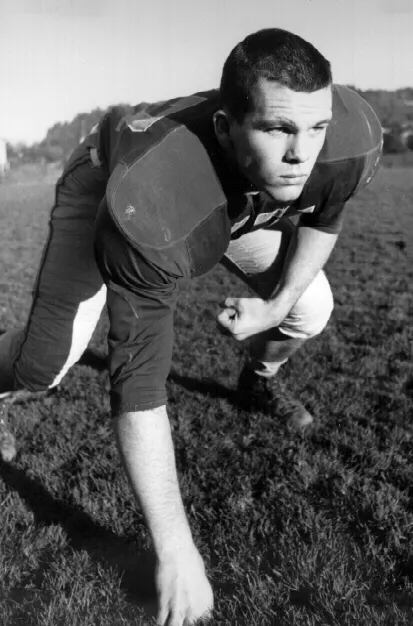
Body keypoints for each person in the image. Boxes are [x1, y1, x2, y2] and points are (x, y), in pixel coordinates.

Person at [0, 28, 382, 626]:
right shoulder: (158, 188)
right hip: (118, 185)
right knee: (44, 364)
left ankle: (260, 375)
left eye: (314, 129)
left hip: (232, 193)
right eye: (279, 128)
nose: (301, 153)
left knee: (311, 308)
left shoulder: (341, 135)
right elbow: (138, 382)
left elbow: (323, 214)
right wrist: (175, 550)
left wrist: (276, 306)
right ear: (229, 128)